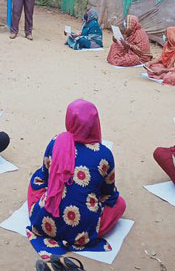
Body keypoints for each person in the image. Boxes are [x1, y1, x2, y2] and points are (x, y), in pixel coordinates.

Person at [26, 99, 126, 258]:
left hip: (45, 224)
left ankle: (48, 216)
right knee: (119, 204)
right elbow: (108, 194)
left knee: (36, 180)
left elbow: (45, 178)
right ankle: (81, 229)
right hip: (82, 232)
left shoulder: (55, 142)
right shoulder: (104, 154)